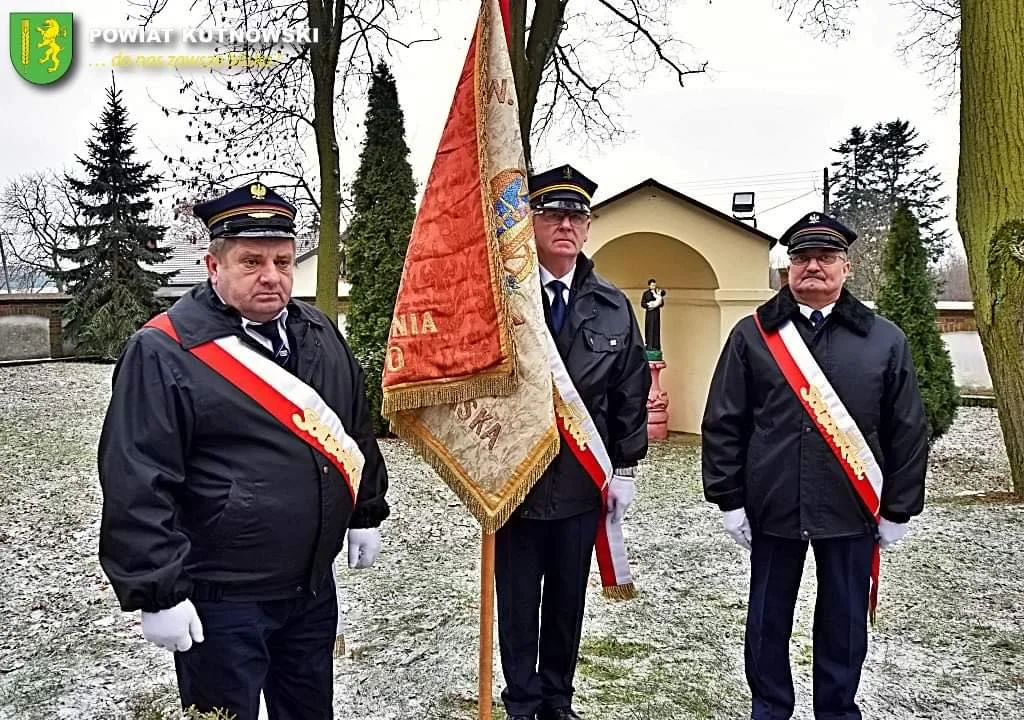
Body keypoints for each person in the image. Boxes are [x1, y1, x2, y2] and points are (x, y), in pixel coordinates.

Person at [97, 182, 390, 720]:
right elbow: (137, 477)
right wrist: (157, 590)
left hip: (310, 587)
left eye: (282, 260)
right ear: (213, 264)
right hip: (221, 595)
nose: (272, 276)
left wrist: (365, 509)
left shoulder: (319, 332)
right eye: (251, 261)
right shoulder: (164, 350)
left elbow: (353, 428)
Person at [701, 211, 929, 720]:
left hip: (852, 507)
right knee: (766, 619)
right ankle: (770, 709)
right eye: (802, 258)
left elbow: (907, 428)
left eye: (825, 258)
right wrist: (729, 499)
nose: (813, 267)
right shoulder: (753, 335)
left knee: (845, 622)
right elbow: (724, 420)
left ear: (846, 267)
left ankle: (837, 710)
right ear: (787, 269)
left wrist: (897, 509)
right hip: (773, 504)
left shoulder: (884, 339)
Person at [494, 164, 651, 720]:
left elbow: (629, 389)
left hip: (582, 481)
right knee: (516, 603)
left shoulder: (612, 304)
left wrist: (626, 467)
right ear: (530, 221)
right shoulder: (503, 297)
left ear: (589, 228)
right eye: (552, 214)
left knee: (566, 600)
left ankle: (557, 700)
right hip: (515, 482)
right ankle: (520, 700)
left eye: (576, 216)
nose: (565, 224)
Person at [640, 278, 666, 352]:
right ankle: (649, 345)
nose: (653, 286)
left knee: (656, 329)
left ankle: (656, 345)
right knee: (649, 328)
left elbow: (662, 303)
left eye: (654, 285)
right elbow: (642, 304)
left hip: (656, 314)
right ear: (649, 285)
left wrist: (657, 303)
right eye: (652, 285)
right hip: (649, 314)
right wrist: (649, 305)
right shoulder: (646, 293)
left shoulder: (658, 293)